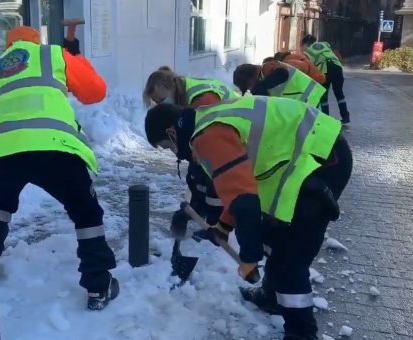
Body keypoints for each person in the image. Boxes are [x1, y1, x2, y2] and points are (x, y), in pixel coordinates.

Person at [144, 95, 353, 339]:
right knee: (276, 236)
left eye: (168, 147)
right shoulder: (205, 121)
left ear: (171, 133)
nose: (174, 153)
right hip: (303, 157)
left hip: (324, 159)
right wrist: (223, 225)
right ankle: (272, 296)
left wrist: (249, 257)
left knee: (290, 256)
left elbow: (244, 203)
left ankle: (302, 333)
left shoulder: (207, 137)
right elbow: (239, 187)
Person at [0, 24, 120, 311]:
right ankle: (99, 285)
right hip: (52, 144)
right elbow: (94, 91)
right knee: (85, 210)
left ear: (7, 46)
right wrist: (73, 57)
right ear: (37, 41)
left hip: (1, 149)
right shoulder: (51, 54)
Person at [143, 67, 239, 241]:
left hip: (241, 134)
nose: (163, 106)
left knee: (210, 178)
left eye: (163, 100)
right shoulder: (183, 95)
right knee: (198, 175)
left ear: (169, 87)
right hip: (228, 134)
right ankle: (204, 215)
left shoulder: (201, 101)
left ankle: (216, 225)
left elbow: (212, 152)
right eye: (158, 103)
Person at [232, 55, 326, 108]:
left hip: (309, 99)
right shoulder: (263, 77)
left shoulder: (267, 68)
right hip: (306, 102)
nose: (250, 88)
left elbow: (282, 74)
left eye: (248, 86)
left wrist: (261, 86)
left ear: (250, 79)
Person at [301, 34, 351, 125]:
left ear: (306, 44)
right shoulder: (324, 45)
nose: (302, 48)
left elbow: (308, 67)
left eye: (302, 45)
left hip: (326, 69)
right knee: (339, 93)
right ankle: (345, 117)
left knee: (323, 96)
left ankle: (325, 119)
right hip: (337, 67)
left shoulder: (308, 52)